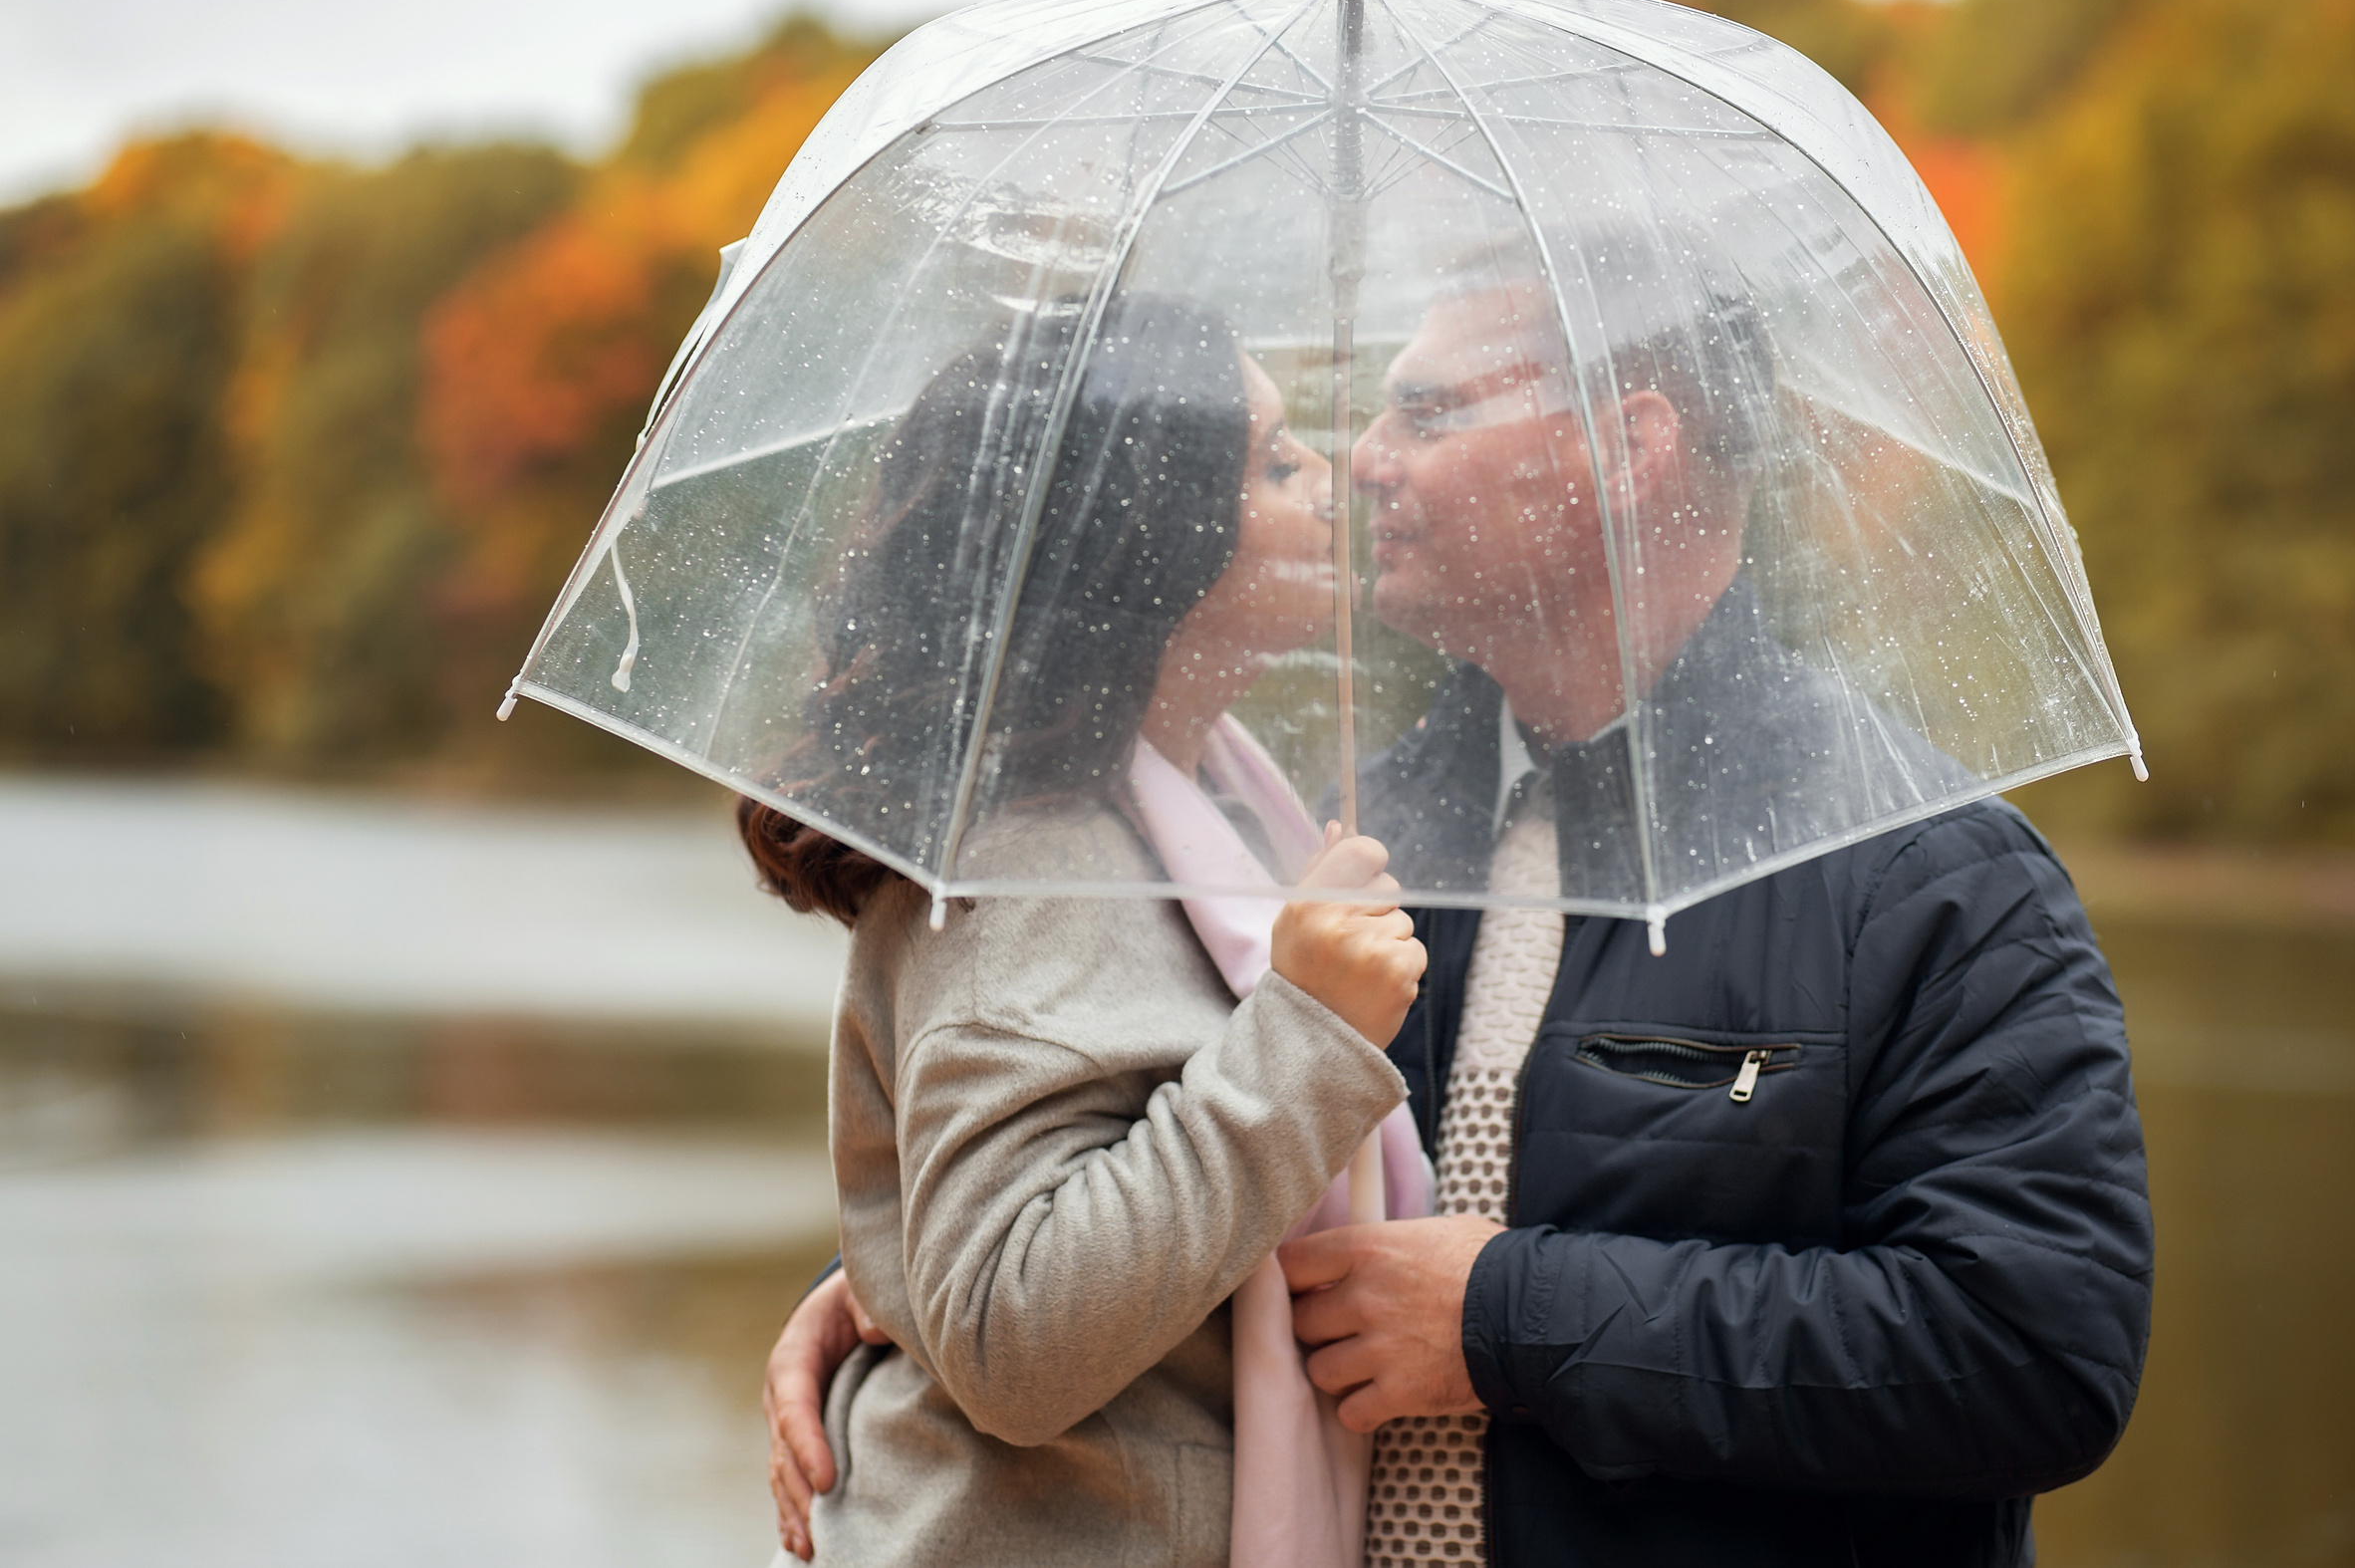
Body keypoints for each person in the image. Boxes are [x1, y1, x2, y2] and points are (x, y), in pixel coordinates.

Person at [765, 245, 2153, 1568]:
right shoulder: (1336, 837)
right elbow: (1182, 1150)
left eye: (1426, 412)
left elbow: (2035, 1346)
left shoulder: (1929, 873)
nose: (1365, 459)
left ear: (1626, 443)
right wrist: (900, 1290)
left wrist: (1508, 1315)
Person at [740, 292, 1429, 1567]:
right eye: (1275, 462)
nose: (1330, 476)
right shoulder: (1035, 869)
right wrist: (1308, 1036)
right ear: (1154, 548)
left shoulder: (1210, 814)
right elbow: (1007, 1337)